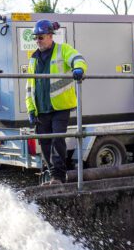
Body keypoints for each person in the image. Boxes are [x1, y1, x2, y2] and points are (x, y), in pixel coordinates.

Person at [25, 19, 88, 185]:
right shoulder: (34, 59)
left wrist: (78, 69)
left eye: (41, 37)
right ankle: (53, 173)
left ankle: (58, 176)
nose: (38, 40)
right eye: (36, 38)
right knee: (44, 142)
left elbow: (78, 58)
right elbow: (30, 86)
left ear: (50, 36)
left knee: (57, 139)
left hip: (60, 106)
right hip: (41, 108)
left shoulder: (63, 49)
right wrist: (31, 110)